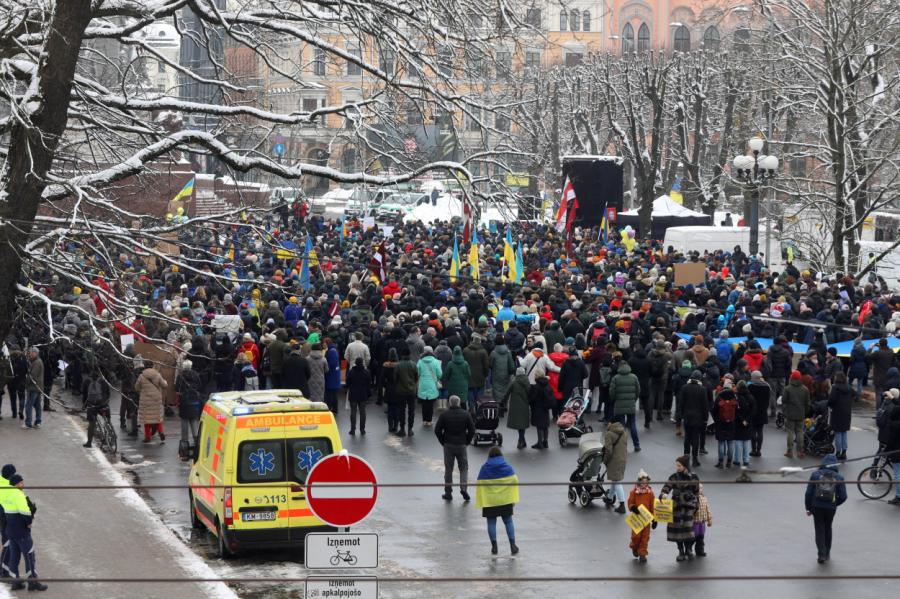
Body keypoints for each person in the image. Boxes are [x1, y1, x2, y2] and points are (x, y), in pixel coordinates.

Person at [0, 474, 48, 591]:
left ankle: (15, 582)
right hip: (21, 531)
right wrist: (29, 522)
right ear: (16, 484)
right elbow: (25, 512)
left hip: (10, 531)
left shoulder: (5, 494)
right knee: (29, 555)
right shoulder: (18, 494)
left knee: (14, 557)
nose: (23, 484)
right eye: (21, 482)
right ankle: (33, 582)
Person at [475, 446, 519, 556]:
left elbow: (480, 483)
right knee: (508, 521)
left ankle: (494, 547)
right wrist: (511, 496)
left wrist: (483, 498)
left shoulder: (484, 468)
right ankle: (512, 545)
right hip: (505, 499)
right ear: (501, 456)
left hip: (490, 501)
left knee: (491, 522)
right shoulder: (507, 467)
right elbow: (514, 479)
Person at [804, 454, 847, 563]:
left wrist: (808, 508)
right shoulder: (839, 477)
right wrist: (835, 503)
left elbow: (808, 493)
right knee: (828, 528)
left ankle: (821, 554)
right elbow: (843, 496)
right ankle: (827, 552)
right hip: (830, 507)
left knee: (819, 529)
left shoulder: (815, 475)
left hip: (816, 506)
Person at [434, 395, 475, 501]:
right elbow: (472, 430)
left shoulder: (444, 415)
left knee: (448, 469)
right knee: (464, 468)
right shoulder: (465, 414)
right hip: (461, 444)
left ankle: (448, 492)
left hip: (448, 444)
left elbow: (437, 430)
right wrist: (467, 441)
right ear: (459, 403)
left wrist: (443, 441)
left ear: (449, 403)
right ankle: (463, 488)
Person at [659, 455, 700, 562]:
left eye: (679, 465)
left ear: (685, 466)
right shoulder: (674, 477)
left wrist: (696, 505)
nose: (677, 467)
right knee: (677, 531)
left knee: (688, 530)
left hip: (688, 507)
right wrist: (663, 494)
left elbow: (697, 492)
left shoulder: (694, 477)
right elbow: (666, 487)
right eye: (677, 465)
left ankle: (688, 549)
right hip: (676, 507)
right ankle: (681, 551)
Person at [676, 370, 708, 467]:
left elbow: (680, 404)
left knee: (687, 437)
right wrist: (705, 418)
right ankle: (695, 459)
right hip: (698, 418)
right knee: (695, 438)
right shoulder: (702, 389)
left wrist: (679, 417)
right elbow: (705, 406)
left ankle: (686, 457)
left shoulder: (684, 388)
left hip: (687, 416)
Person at [610, 361, 641, 451]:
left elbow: (612, 391)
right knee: (632, 424)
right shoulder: (634, 377)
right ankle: (636, 445)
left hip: (619, 405)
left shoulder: (616, 378)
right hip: (631, 404)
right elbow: (638, 390)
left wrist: (615, 400)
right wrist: (633, 400)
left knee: (621, 426)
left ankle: (622, 446)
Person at [627, 469, 656, 563]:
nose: (644, 484)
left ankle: (642, 553)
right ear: (639, 482)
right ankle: (634, 547)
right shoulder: (633, 492)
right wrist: (633, 507)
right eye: (642, 482)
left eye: (646, 482)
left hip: (647, 520)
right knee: (636, 536)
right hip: (637, 518)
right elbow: (630, 503)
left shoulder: (650, 493)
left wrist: (654, 519)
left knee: (645, 537)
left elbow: (653, 507)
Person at [135, 361, 168, 444]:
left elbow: (137, 387)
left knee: (147, 420)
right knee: (157, 418)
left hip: (145, 400)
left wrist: (142, 391)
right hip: (156, 399)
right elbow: (164, 385)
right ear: (152, 366)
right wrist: (165, 381)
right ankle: (161, 432)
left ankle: (147, 437)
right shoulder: (157, 374)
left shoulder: (141, 376)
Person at [783, 370, 811, 458]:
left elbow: (784, 401)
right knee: (800, 432)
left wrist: (785, 411)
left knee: (790, 432)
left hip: (790, 413)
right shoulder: (805, 389)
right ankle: (800, 451)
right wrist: (805, 412)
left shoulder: (787, 388)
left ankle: (789, 451)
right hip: (801, 413)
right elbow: (808, 403)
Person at [603, 419, 628, 513]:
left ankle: (622, 505)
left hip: (614, 460)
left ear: (611, 423)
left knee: (617, 482)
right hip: (623, 459)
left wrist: (605, 460)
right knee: (615, 480)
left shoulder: (609, 434)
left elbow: (608, 450)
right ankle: (609, 498)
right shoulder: (624, 432)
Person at [81, 369, 110, 448]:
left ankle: (89, 442)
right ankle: (110, 435)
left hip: (92, 405)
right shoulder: (103, 381)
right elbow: (108, 393)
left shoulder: (87, 381)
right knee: (107, 419)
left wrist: (84, 405)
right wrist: (106, 402)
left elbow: (84, 395)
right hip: (103, 404)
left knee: (92, 423)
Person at [827, 372, 853, 460]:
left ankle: (838, 452)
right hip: (847, 413)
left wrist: (830, 405)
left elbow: (831, 400)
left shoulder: (835, 387)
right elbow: (855, 395)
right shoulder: (849, 387)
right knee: (844, 432)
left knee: (838, 432)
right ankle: (844, 452)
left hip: (837, 412)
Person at [713, 383, 738, 469]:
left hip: (720, 424)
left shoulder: (719, 398)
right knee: (730, 443)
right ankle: (729, 462)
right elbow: (737, 412)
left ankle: (720, 462)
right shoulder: (734, 399)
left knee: (721, 443)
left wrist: (716, 420)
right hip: (731, 424)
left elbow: (714, 411)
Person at [395, 349, 419, 436]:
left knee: (402, 410)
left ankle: (402, 429)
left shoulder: (398, 365)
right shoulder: (413, 364)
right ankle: (410, 429)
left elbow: (395, 378)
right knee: (411, 410)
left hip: (401, 391)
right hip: (411, 390)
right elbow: (416, 377)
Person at [506, 367, 531, 449]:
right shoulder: (527, 381)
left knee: (519, 424)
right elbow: (530, 393)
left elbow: (507, 392)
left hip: (515, 406)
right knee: (522, 424)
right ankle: (522, 440)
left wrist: (502, 402)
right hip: (525, 404)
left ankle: (521, 440)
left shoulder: (514, 381)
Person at [416, 346, 442, 426]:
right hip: (432, 384)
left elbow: (417, 372)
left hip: (423, 383)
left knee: (424, 404)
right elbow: (440, 374)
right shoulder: (436, 361)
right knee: (430, 404)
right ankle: (429, 421)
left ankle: (424, 420)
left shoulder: (420, 361)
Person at [527, 375, 555, 449]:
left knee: (539, 426)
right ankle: (545, 442)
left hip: (538, 408)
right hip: (546, 408)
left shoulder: (536, 387)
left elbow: (532, 398)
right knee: (545, 425)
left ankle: (540, 443)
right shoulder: (547, 385)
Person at [748, 370, 771, 457]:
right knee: (760, 431)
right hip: (763, 411)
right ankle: (759, 450)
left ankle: (753, 450)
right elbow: (768, 400)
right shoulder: (767, 386)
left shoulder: (751, 387)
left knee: (753, 430)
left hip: (753, 412)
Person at [443, 346, 471, 413]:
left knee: (453, 402)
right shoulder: (465, 363)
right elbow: (469, 374)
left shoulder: (450, 364)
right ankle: (464, 415)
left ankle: (452, 415)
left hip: (452, 385)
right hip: (463, 385)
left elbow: (446, 375)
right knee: (463, 402)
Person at [346, 357, 370, 435]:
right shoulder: (366, 372)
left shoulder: (351, 372)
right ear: (362, 363)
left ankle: (353, 429)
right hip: (363, 394)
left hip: (353, 394)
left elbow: (347, 384)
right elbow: (368, 384)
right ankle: (362, 429)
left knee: (353, 412)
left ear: (355, 363)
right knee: (363, 412)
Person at [23, 347, 43, 430]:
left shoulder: (37, 363)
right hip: (37, 387)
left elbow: (32, 376)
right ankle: (38, 422)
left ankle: (28, 423)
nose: (30, 354)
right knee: (37, 405)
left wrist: (26, 381)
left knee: (28, 406)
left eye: (31, 353)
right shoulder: (36, 361)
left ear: (35, 353)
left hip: (33, 387)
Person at [693, 484, 713, 557]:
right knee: (693, 537)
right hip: (694, 522)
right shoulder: (693, 498)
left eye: (701, 488)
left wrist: (709, 520)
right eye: (698, 488)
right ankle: (688, 551)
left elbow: (708, 510)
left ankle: (700, 551)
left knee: (701, 537)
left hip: (702, 522)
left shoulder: (704, 498)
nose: (699, 490)